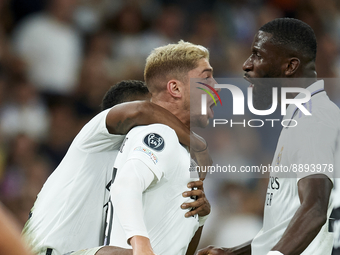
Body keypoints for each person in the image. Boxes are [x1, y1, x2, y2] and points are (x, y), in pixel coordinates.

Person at [197, 18, 340, 255]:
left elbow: (315, 209)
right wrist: (235, 252)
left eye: (257, 55)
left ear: (290, 66)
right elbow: (285, 226)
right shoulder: (303, 118)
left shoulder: (314, 119)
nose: (246, 64)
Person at [23, 80, 211, 255]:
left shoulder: (144, 169)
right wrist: (197, 143)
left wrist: (199, 218)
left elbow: (179, 251)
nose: (163, 122)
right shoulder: (94, 137)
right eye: (158, 112)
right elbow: (141, 110)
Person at [107, 41, 218, 255]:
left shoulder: (184, 153)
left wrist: (201, 217)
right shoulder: (160, 134)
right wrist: (141, 244)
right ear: (175, 88)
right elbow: (125, 185)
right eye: (206, 78)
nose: (216, 86)